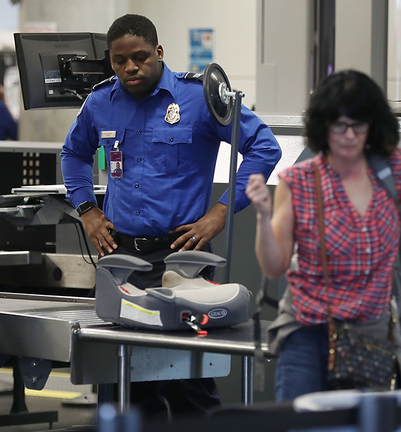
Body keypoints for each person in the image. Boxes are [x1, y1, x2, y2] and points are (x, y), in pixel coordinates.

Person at [61, 14, 282, 419]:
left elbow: (264, 147)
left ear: (159, 52)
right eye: (119, 60)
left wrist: (221, 212)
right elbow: (72, 154)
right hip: (121, 263)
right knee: (122, 387)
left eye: (141, 57)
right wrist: (88, 210)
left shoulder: (199, 97)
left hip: (184, 260)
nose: (130, 68)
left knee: (188, 384)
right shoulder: (100, 102)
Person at [245, 69, 401, 402]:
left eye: (358, 124)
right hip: (309, 332)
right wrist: (264, 216)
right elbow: (273, 267)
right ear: (322, 126)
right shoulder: (299, 181)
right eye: (338, 125)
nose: (348, 135)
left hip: (371, 333)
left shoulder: (389, 168)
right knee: (303, 423)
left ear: (373, 125)